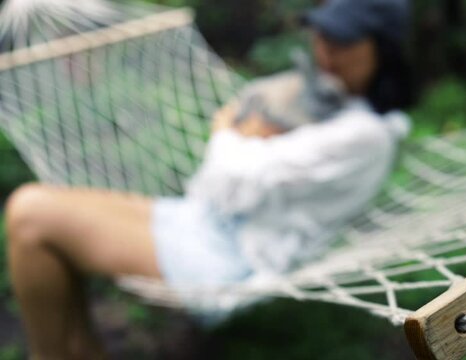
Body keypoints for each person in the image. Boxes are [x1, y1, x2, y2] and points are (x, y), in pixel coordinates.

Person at [3, 0, 415, 358]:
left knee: (30, 213)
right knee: (47, 210)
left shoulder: (366, 134)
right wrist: (251, 136)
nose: (325, 52)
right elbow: (234, 174)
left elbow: (230, 178)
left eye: (343, 42)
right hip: (206, 222)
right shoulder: (335, 101)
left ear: (383, 50)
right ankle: (77, 352)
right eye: (323, 37)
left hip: (230, 259)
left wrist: (228, 132)